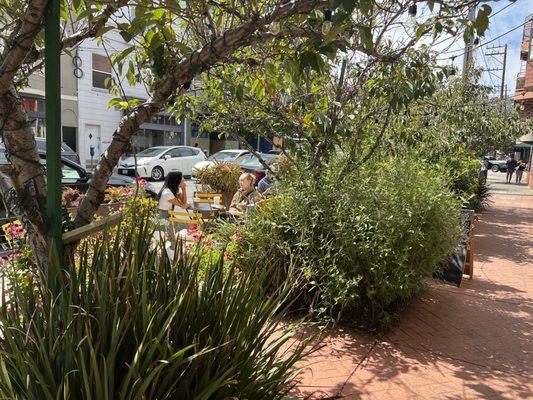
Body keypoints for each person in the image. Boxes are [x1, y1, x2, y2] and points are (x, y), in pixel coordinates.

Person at [157, 172, 190, 240]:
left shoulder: (173, 190)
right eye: (182, 180)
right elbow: (183, 205)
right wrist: (186, 203)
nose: (184, 181)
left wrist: (184, 189)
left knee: (185, 225)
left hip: (169, 216)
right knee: (186, 226)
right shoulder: (167, 192)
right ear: (176, 181)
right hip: (162, 218)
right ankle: (173, 245)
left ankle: (173, 244)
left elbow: (184, 201)